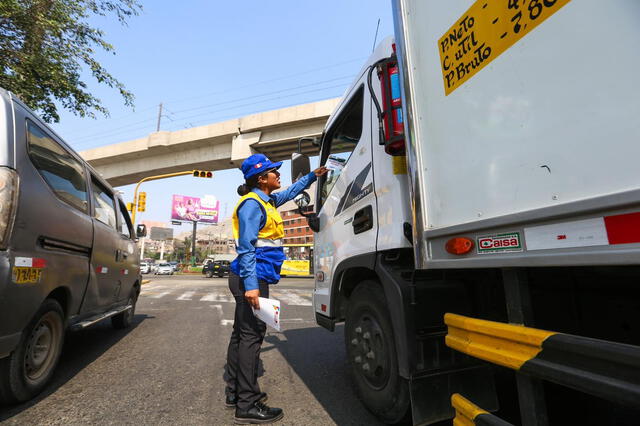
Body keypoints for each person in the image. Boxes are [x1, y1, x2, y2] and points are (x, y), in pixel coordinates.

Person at [224, 153, 327, 424]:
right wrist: (251, 287)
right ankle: (247, 404)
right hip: (251, 277)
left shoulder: (267, 200)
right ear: (261, 178)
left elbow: (292, 190)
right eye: (274, 172)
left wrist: (311, 177)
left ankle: (235, 392)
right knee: (251, 336)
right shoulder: (251, 204)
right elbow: (246, 248)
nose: (278, 175)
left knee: (240, 335)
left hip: (255, 276)